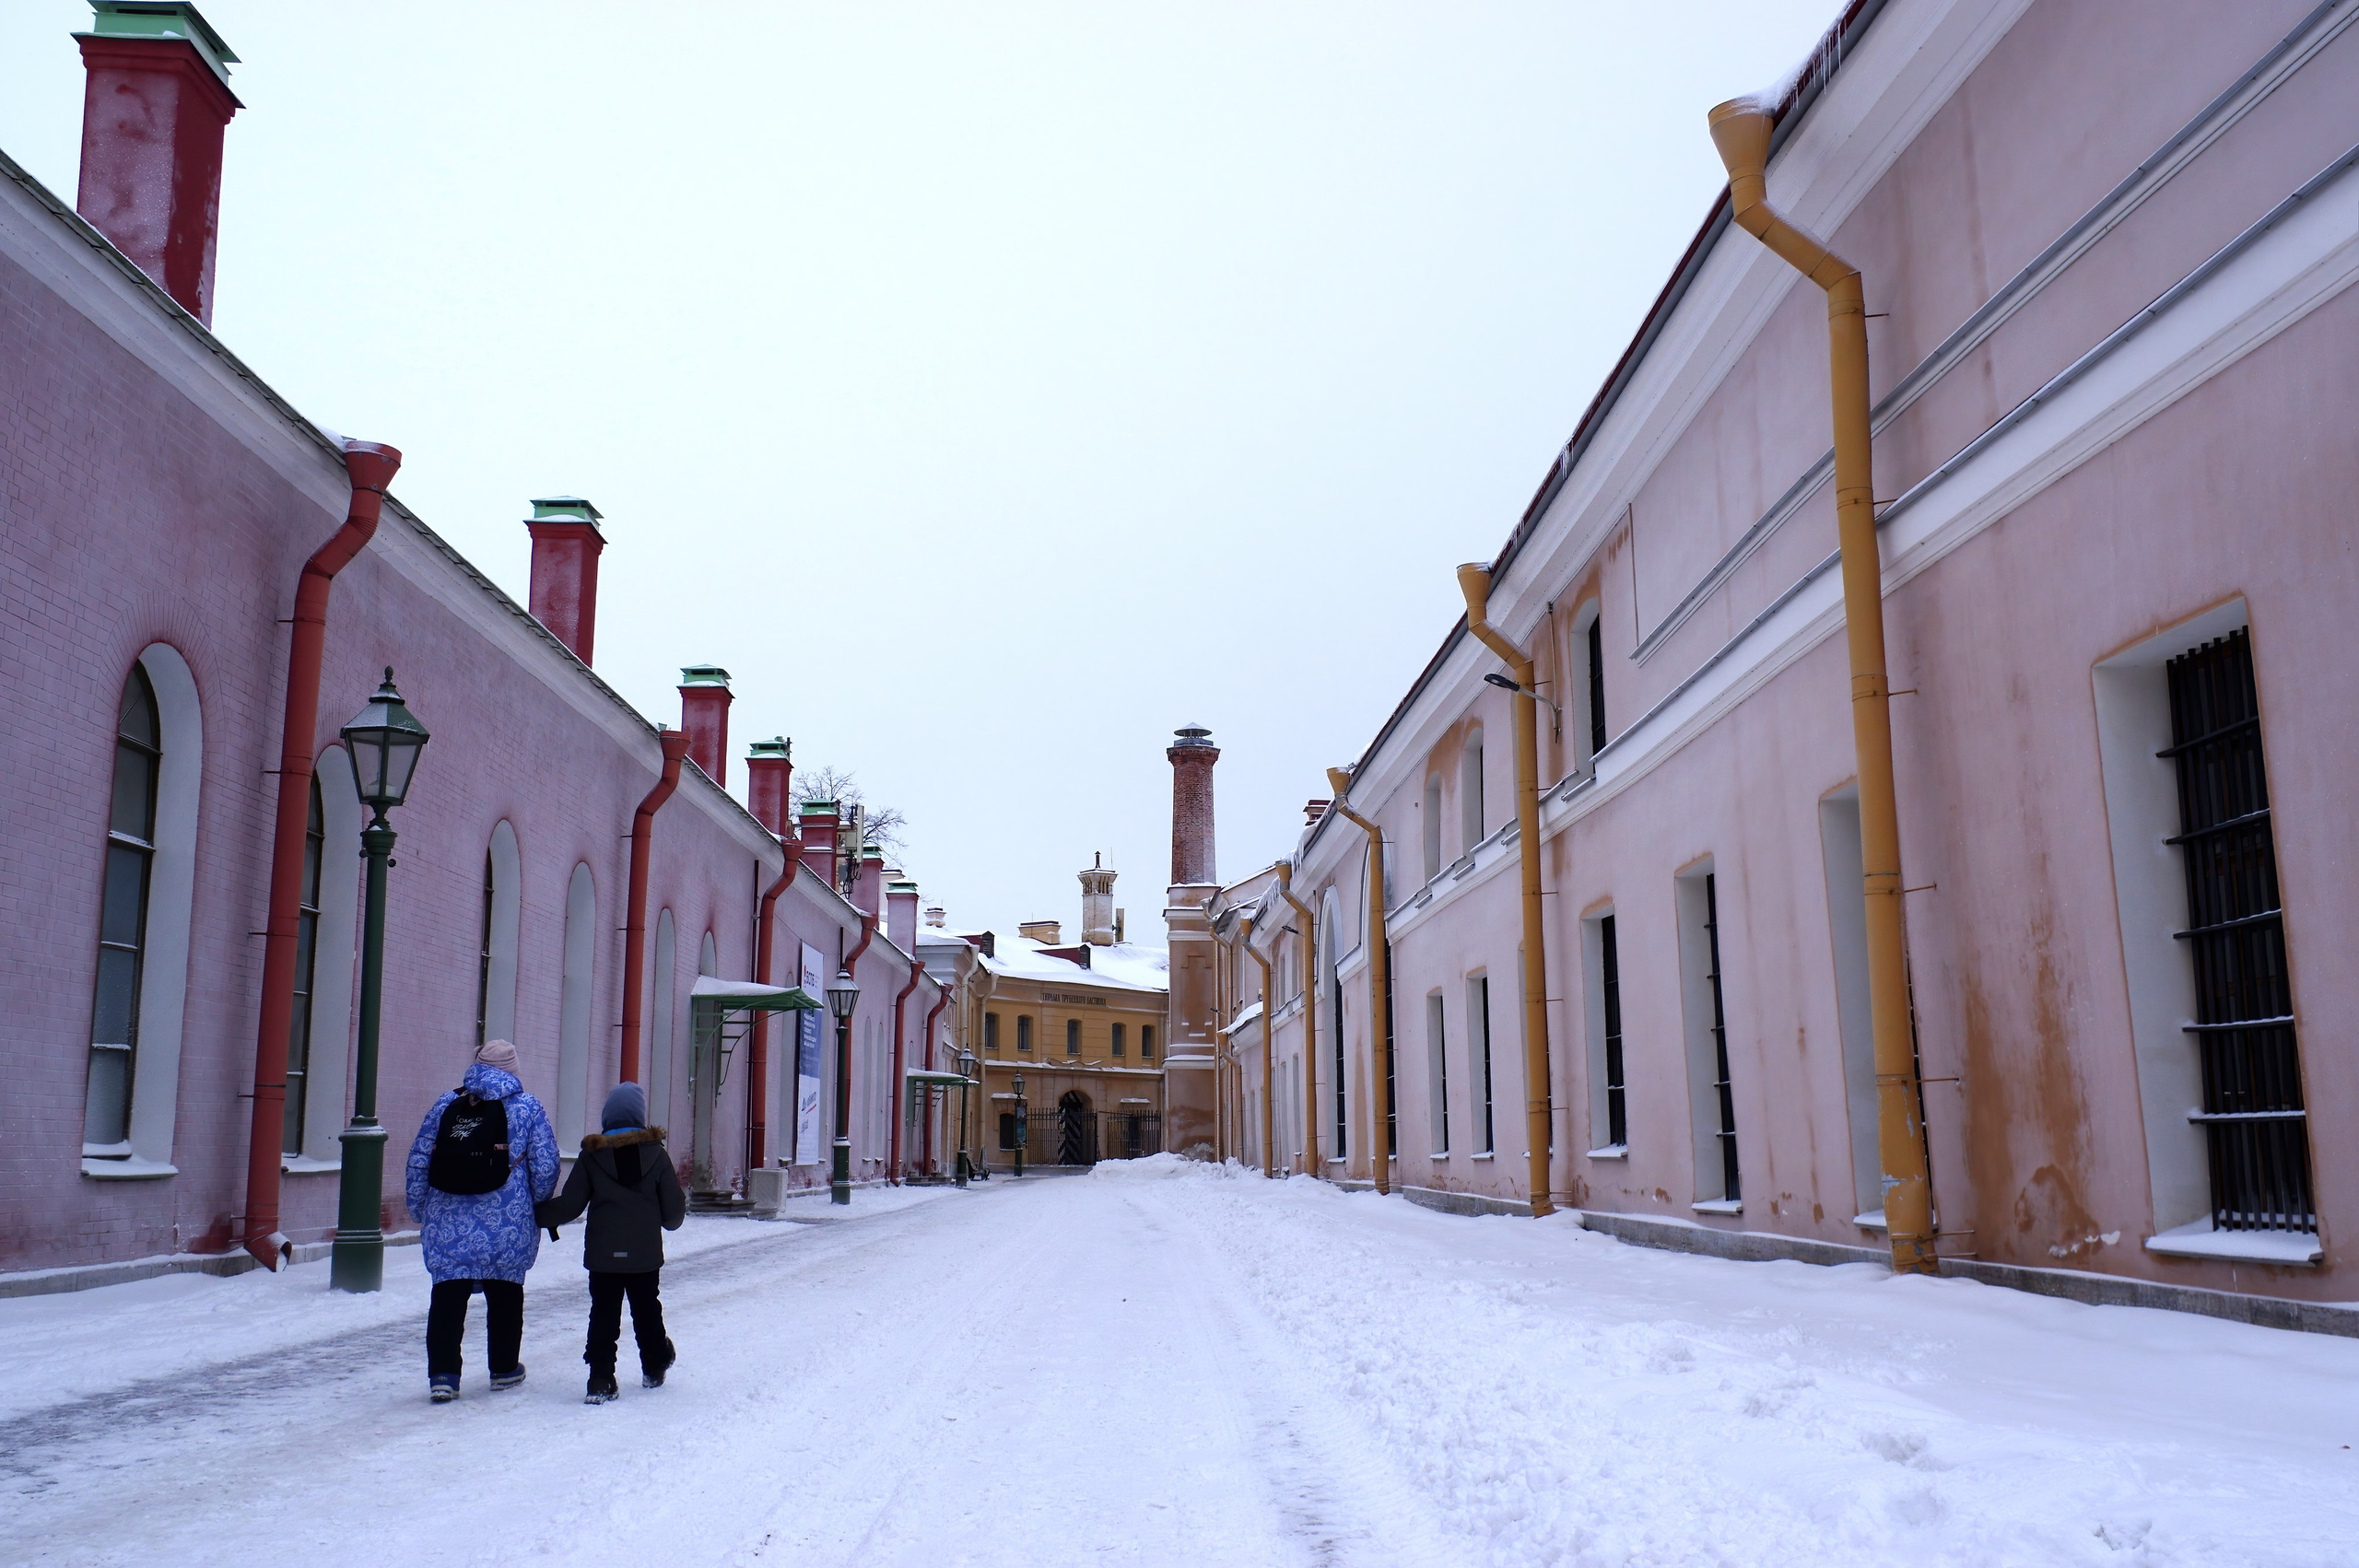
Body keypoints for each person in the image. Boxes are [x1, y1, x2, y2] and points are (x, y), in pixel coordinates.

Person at [405, 1038, 559, 1403]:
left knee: (447, 1295)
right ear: (513, 1070)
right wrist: (533, 1204)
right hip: (508, 1219)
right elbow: (547, 1165)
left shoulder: (446, 1104)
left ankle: (443, 1374)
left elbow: (419, 1158)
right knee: (505, 1291)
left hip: (446, 1215)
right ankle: (504, 1368)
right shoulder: (526, 1107)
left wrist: (419, 1208)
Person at [536, 1082, 684, 1404]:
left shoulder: (592, 1157)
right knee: (647, 1310)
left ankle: (601, 1379)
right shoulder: (657, 1156)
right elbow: (673, 1215)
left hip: (603, 1256)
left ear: (607, 1117)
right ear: (640, 1116)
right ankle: (655, 1363)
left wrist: (532, 1215)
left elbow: (570, 1205)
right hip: (644, 1255)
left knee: (603, 1313)